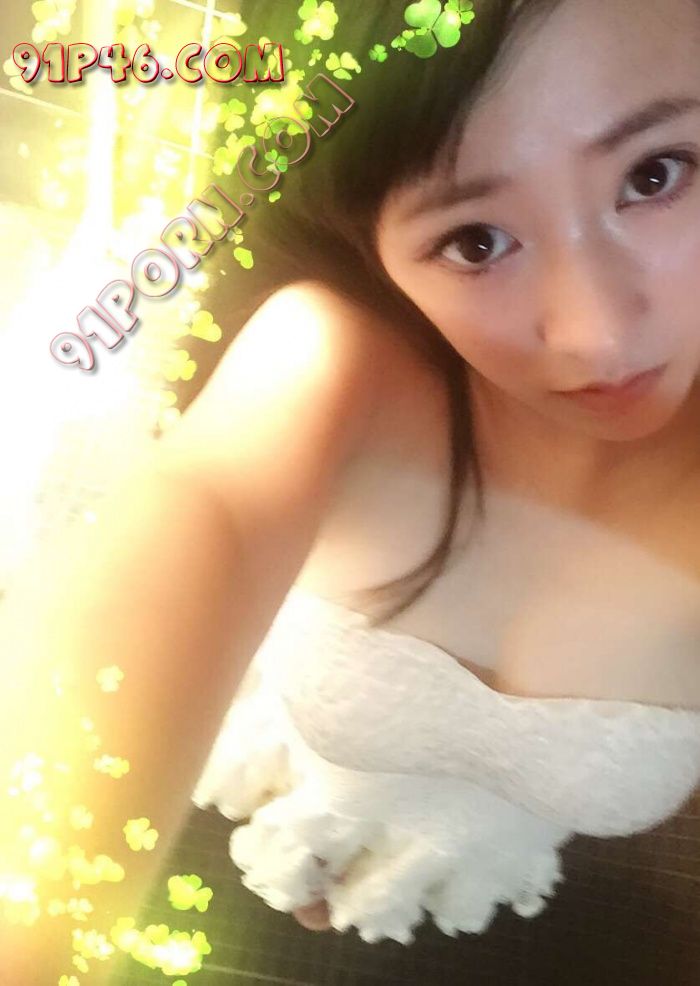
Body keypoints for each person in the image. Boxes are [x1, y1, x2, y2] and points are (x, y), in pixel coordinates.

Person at [3, 0, 700, 978]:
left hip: (490, 847)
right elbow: (199, 520)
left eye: (654, 175)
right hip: (317, 772)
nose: (599, 335)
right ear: (369, 245)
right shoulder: (326, 369)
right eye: (475, 240)